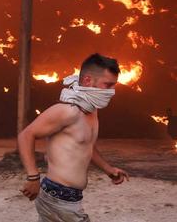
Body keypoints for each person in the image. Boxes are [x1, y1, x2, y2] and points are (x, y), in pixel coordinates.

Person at [17, 53, 129, 221]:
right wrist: (33, 177)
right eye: (108, 85)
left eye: (114, 86)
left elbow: (86, 145)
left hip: (70, 198)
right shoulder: (67, 111)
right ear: (87, 81)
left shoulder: (91, 110)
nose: (111, 92)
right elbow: (26, 135)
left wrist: (109, 170)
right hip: (58, 199)